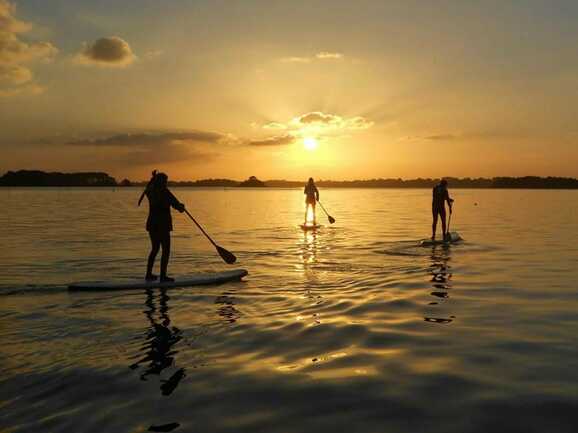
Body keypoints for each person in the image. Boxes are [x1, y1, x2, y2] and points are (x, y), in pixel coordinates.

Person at [143, 172, 185, 282]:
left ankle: (148, 274)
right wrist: (181, 207)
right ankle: (163, 276)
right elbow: (177, 205)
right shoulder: (165, 192)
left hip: (152, 224)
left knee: (155, 249)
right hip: (162, 225)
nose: (166, 183)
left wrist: (152, 180)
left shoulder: (150, 191)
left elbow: (149, 189)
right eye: (165, 181)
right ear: (162, 182)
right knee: (165, 251)